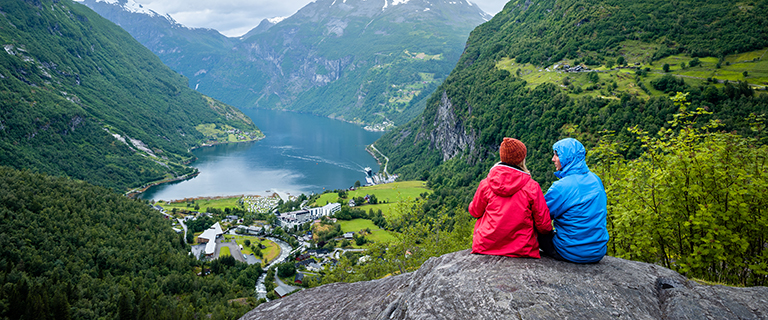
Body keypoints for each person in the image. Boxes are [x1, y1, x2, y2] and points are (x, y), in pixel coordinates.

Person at [469, 137, 552, 258]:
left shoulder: (486, 184)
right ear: (522, 158)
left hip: (486, 246)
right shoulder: (532, 187)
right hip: (522, 248)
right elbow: (544, 225)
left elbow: (475, 212)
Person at [539, 138, 609, 263]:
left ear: (567, 158)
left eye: (557, 154)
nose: (553, 159)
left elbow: (541, 215)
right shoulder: (596, 179)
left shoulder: (561, 187)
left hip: (570, 252)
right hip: (598, 251)